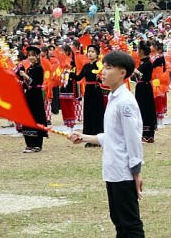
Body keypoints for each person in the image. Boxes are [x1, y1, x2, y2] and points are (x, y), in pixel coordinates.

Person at [69, 50, 145, 238]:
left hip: (123, 171)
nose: (103, 71)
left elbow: (133, 138)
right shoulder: (113, 98)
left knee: (130, 224)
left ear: (122, 73)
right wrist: (84, 137)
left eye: (109, 68)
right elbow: (112, 137)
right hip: (112, 170)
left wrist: (136, 171)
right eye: (103, 67)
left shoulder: (125, 102)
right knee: (119, 221)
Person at [73, 45, 105, 146]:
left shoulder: (100, 65)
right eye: (89, 51)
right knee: (88, 114)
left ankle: (98, 139)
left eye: (93, 52)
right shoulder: (86, 66)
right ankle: (89, 139)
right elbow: (79, 78)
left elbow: (104, 80)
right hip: (88, 91)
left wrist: (100, 78)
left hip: (96, 91)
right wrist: (71, 73)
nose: (90, 53)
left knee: (97, 114)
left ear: (97, 54)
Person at [18, 46, 48, 153]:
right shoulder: (30, 68)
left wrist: (25, 75)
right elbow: (26, 84)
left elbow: (34, 82)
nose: (31, 57)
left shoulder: (39, 68)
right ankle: (29, 144)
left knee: (36, 118)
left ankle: (37, 144)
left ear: (37, 56)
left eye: (33, 55)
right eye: (29, 55)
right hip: (29, 96)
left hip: (36, 96)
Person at [133, 41, 157, 143]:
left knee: (146, 109)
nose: (137, 52)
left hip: (145, 88)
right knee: (140, 109)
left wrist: (135, 71)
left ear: (142, 51)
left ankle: (148, 134)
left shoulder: (148, 63)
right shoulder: (142, 62)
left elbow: (144, 76)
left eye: (138, 49)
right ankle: (142, 133)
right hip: (140, 88)